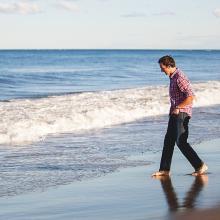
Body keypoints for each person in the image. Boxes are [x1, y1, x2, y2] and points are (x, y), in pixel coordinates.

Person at [152, 55, 208, 177]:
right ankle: (164, 170)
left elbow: (191, 97)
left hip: (182, 113)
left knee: (181, 141)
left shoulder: (179, 77)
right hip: (175, 113)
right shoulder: (172, 77)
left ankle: (199, 165)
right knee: (168, 141)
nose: (161, 70)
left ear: (169, 66)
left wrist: (178, 108)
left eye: (162, 68)